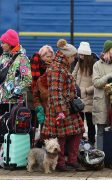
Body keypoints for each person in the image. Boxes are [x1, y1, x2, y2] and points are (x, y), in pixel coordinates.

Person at [41, 39, 85, 171]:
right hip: (59, 108)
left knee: (78, 131)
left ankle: (71, 160)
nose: (74, 59)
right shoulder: (57, 69)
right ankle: (60, 163)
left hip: (68, 107)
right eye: (73, 57)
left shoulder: (62, 67)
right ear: (67, 56)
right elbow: (55, 92)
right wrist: (60, 112)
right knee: (61, 136)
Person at [0, 29, 32, 115]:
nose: (1, 45)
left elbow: (27, 80)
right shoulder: (2, 57)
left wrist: (15, 92)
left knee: (11, 127)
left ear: (10, 44)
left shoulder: (22, 59)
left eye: (3, 43)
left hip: (15, 102)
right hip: (1, 100)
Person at [72, 41, 98, 146]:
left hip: (89, 98)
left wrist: (85, 90)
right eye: (80, 54)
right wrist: (74, 86)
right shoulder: (79, 63)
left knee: (90, 123)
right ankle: (80, 141)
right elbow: (73, 75)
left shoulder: (94, 64)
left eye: (82, 54)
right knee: (79, 122)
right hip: (79, 97)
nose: (80, 56)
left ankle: (91, 141)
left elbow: (96, 83)